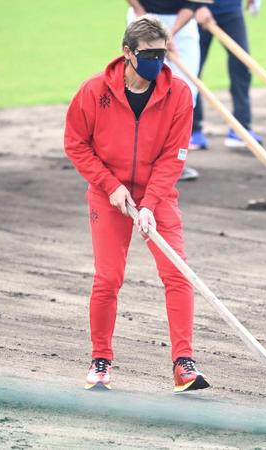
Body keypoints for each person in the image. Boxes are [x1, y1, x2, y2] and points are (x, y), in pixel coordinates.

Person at [64, 16, 210, 393]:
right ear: (127, 53)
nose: (157, 62)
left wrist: (150, 203)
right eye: (148, 55)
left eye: (162, 54)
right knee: (108, 278)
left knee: (177, 273)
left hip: (157, 195)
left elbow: (174, 156)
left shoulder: (178, 94)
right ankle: (100, 361)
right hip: (107, 195)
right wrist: (110, 185)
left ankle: (183, 364)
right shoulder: (94, 91)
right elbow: (76, 143)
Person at [127, 0, 213, 181]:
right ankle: (139, 161)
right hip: (144, 17)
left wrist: (170, 34)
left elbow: (193, 3)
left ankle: (172, 163)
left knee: (187, 91)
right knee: (145, 86)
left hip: (182, 22)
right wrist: (141, 14)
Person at [190, 0, 263, 150]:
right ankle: (192, 131)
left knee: (242, 65)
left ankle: (241, 129)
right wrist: (198, 6)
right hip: (197, 12)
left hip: (231, 8)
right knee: (191, 70)